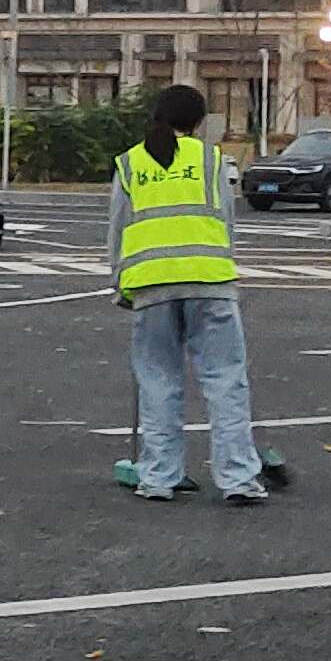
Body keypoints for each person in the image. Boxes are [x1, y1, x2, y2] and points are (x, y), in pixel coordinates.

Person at [109, 83, 276, 504]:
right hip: (210, 281)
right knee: (225, 382)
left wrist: (121, 284)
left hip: (150, 284)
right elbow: (226, 220)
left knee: (158, 381)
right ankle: (238, 478)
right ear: (200, 122)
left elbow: (118, 229)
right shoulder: (211, 159)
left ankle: (159, 477)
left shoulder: (130, 163)